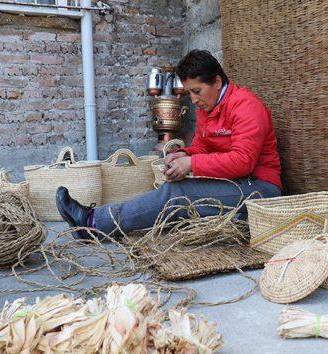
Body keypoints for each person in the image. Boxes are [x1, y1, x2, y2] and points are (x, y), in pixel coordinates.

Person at [56, 49, 282, 239]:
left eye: (196, 91)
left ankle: (91, 223)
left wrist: (191, 163)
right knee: (171, 193)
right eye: (189, 93)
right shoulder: (209, 106)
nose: (193, 100)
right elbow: (202, 149)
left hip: (260, 190)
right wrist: (181, 153)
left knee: (178, 193)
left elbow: (243, 162)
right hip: (234, 183)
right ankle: (102, 218)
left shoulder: (246, 106)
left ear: (216, 82)